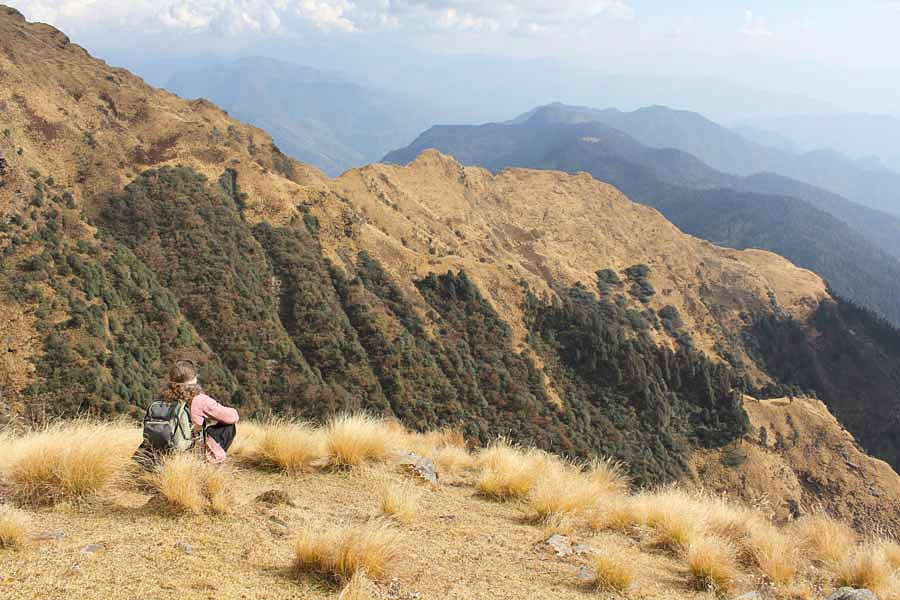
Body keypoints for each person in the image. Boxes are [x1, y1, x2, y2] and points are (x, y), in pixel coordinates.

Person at [165, 359, 240, 464]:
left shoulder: (163, 398)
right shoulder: (199, 399)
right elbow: (232, 417)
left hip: (163, 450)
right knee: (228, 426)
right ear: (194, 378)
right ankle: (211, 461)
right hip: (191, 453)